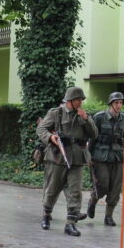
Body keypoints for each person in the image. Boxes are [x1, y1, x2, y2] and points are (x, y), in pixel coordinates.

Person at [37, 86, 98, 236]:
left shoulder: (83, 115)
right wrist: (51, 138)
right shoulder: (56, 113)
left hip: (77, 157)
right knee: (52, 189)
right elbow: (41, 129)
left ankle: (70, 224)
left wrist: (86, 120)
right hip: (57, 156)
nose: (80, 102)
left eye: (81, 100)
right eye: (77, 100)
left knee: (75, 191)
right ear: (69, 101)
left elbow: (94, 134)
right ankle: (46, 215)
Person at [87, 92, 124, 226]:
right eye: (116, 103)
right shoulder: (99, 117)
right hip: (101, 156)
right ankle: (93, 200)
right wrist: (88, 156)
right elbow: (92, 138)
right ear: (110, 104)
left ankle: (108, 216)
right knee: (102, 185)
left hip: (118, 157)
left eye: (121, 103)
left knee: (115, 188)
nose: (119, 105)